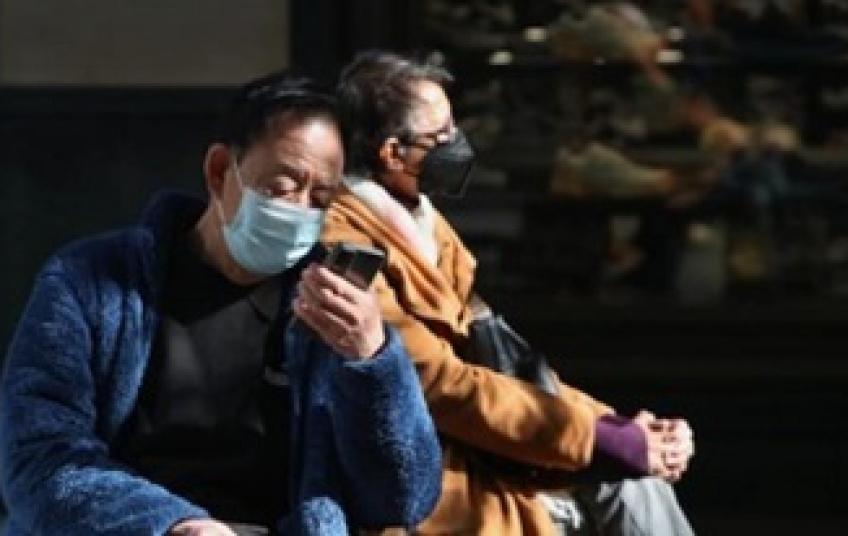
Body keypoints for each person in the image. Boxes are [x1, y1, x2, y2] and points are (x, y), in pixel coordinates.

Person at [0, 70, 442, 536]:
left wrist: (372, 361)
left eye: (320, 197)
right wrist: (174, 524)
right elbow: (36, 460)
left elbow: (402, 500)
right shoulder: (90, 280)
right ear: (219, 172)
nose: (299, 210)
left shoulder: (329, 307)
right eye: (282, 186)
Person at [324, 49, 696, 535]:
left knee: (637, 481)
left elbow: (508, 362)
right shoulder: (347, 246)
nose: (457, 144)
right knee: (627, 485)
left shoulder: (426, 224)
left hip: (494, 449)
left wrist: (618, 430)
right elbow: (438, 384)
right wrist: (598, 439)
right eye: (442, 136)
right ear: (393, 153)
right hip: (435, 481)